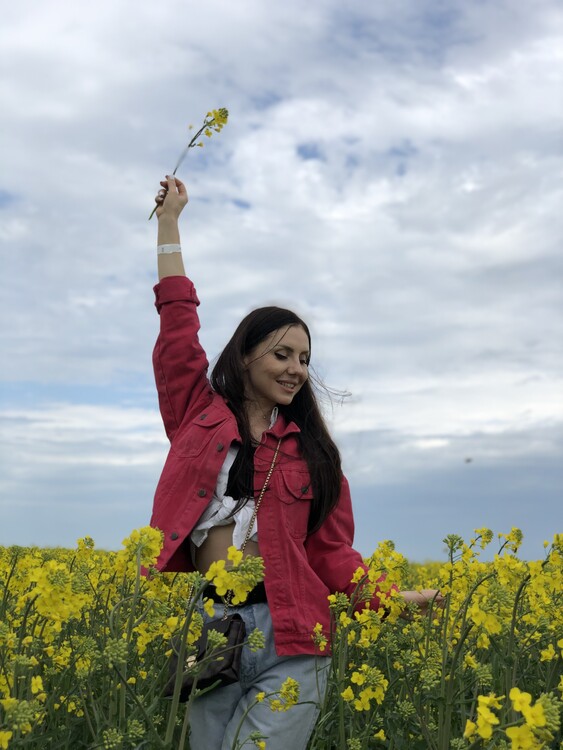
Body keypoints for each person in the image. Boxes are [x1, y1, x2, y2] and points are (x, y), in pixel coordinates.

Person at [149, 175, 442, 750]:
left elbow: (331, 552)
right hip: (214, 628)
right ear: (246, 354)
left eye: (304, 359)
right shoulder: (196, 415)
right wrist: (169, 224)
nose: (296, 369)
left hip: (296, 635)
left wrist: (390, 599)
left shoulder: (314, 454)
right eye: (282, 354)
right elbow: (177, 326)